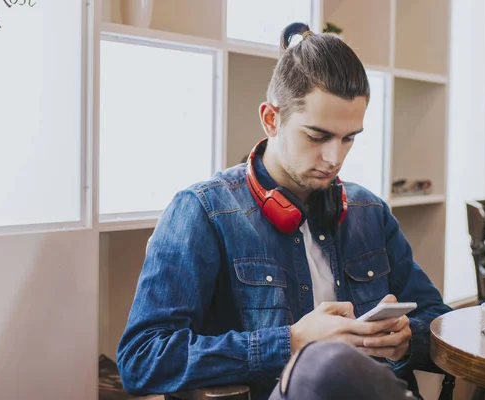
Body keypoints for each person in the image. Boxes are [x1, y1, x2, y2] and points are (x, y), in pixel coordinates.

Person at [117, 22, 452, 400]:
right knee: (320, 370)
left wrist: (407, 339)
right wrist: (291, 342)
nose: (334, 158)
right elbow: (142, 360)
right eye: (317, 136)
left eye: (349, 138)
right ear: (271, 119)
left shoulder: (369, 211)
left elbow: (443, 326)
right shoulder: (203, 212)